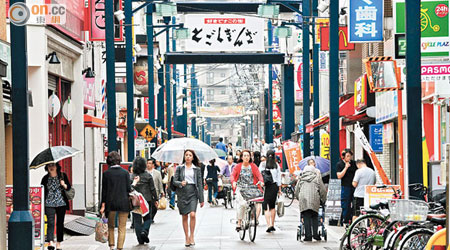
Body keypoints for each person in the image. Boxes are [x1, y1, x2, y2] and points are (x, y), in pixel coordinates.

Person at [173, 150, 205, 247]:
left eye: (190, 155)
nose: (188, 157)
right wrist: (180, 183)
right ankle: (186, 237)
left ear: (193, 157)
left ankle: (192, 236)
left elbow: (200, 184)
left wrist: (201, 199)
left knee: (192, 214)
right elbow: (174, 181)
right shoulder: (179, 168)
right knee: (184, 216)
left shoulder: (197, 169)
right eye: (186, 155)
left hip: (193, 193)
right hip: (182, 193)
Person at [100, 151, 131, 250]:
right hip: (123, 203)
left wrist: (103, 205)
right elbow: (128, 189)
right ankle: (120, 247)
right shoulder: (125, 173)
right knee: (122, 227)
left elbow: (104, 191)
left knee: (111, 226)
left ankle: (111, 246)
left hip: (110, 203)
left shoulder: (106, 174)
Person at [230, 150, 264, 231]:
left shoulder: (253, 166)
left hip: (252, 188)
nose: (246, 157)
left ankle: (253, 217)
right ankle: (239, 222)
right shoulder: (237, 166)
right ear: (241, 157)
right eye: (244, 156)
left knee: (257, 201)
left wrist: (261, 181)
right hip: (241, 188)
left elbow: (259, 175)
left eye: (248, 156)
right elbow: (232, 175)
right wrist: (233, 182)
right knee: (241, 204)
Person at [41, 163, 72, 250]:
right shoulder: (45, 178)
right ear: (46, 167)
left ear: (57, 167)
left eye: (53, 165)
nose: (51, 167)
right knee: (50, 223)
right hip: (49, 203)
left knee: (60, 223)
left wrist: (63, 184)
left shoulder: (62, 175)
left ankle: (58, 243)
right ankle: (50, 242)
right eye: (49, 166)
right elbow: (42, 189)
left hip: (61, 203)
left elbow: (68, 187)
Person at [295, 164, 327, 241]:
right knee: (314, 216)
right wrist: (323, 200)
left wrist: (299, 198)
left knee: (306, 216)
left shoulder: (301, 179)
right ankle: (315, 235)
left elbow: (296, 191)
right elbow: (323, 191)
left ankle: (308, 236)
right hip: (315, 199)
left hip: (304, 200)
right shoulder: (317, 178)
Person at [131, 157, 158, 244]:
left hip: (135, 201)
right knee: (147, 218)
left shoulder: (131, 176)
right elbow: (152, 189)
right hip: (147, 200)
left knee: (137, 220)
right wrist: (156, 199)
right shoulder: (148, 176)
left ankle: (140, 239)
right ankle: (145, 231)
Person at [259, 150, 282, 233]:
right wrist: (279, 189)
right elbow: (279, 178)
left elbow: (259, 175)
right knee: (272, 206)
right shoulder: (276, 165)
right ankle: (272, 224)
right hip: (274, 186)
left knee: (265, 206)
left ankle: (268, 225)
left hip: (266, 186)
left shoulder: (263, 164)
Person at [337, 148, 357, 225]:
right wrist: (345, 167)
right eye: (347, 156)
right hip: (345, 186)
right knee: (346, 203)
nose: (349, 158)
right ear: (344, 157)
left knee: (354, 203)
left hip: (353, 186)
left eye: (350, 156)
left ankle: (352, 219)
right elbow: (339, 176)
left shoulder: (354, 163)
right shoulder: (340, 164)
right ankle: (345, 220)